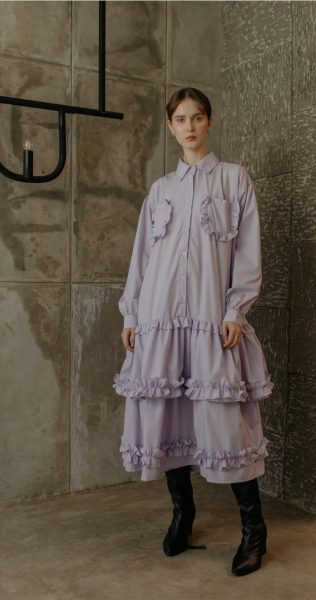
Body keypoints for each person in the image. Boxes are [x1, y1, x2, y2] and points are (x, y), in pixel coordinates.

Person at [113, 87, 274, 576]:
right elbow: (142, 258)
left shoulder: (233, 179)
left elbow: (247, 252)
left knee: (225, 423)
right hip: (159, 320)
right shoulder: (160, 190)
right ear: (170, 126)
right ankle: (183, 515)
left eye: (197, 117)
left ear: (209, 122)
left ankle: (254, 531)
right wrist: (132, 316)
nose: (189, 126)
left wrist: (235, 309)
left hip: (211, 320)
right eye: (180, 119)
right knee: (170, 418)